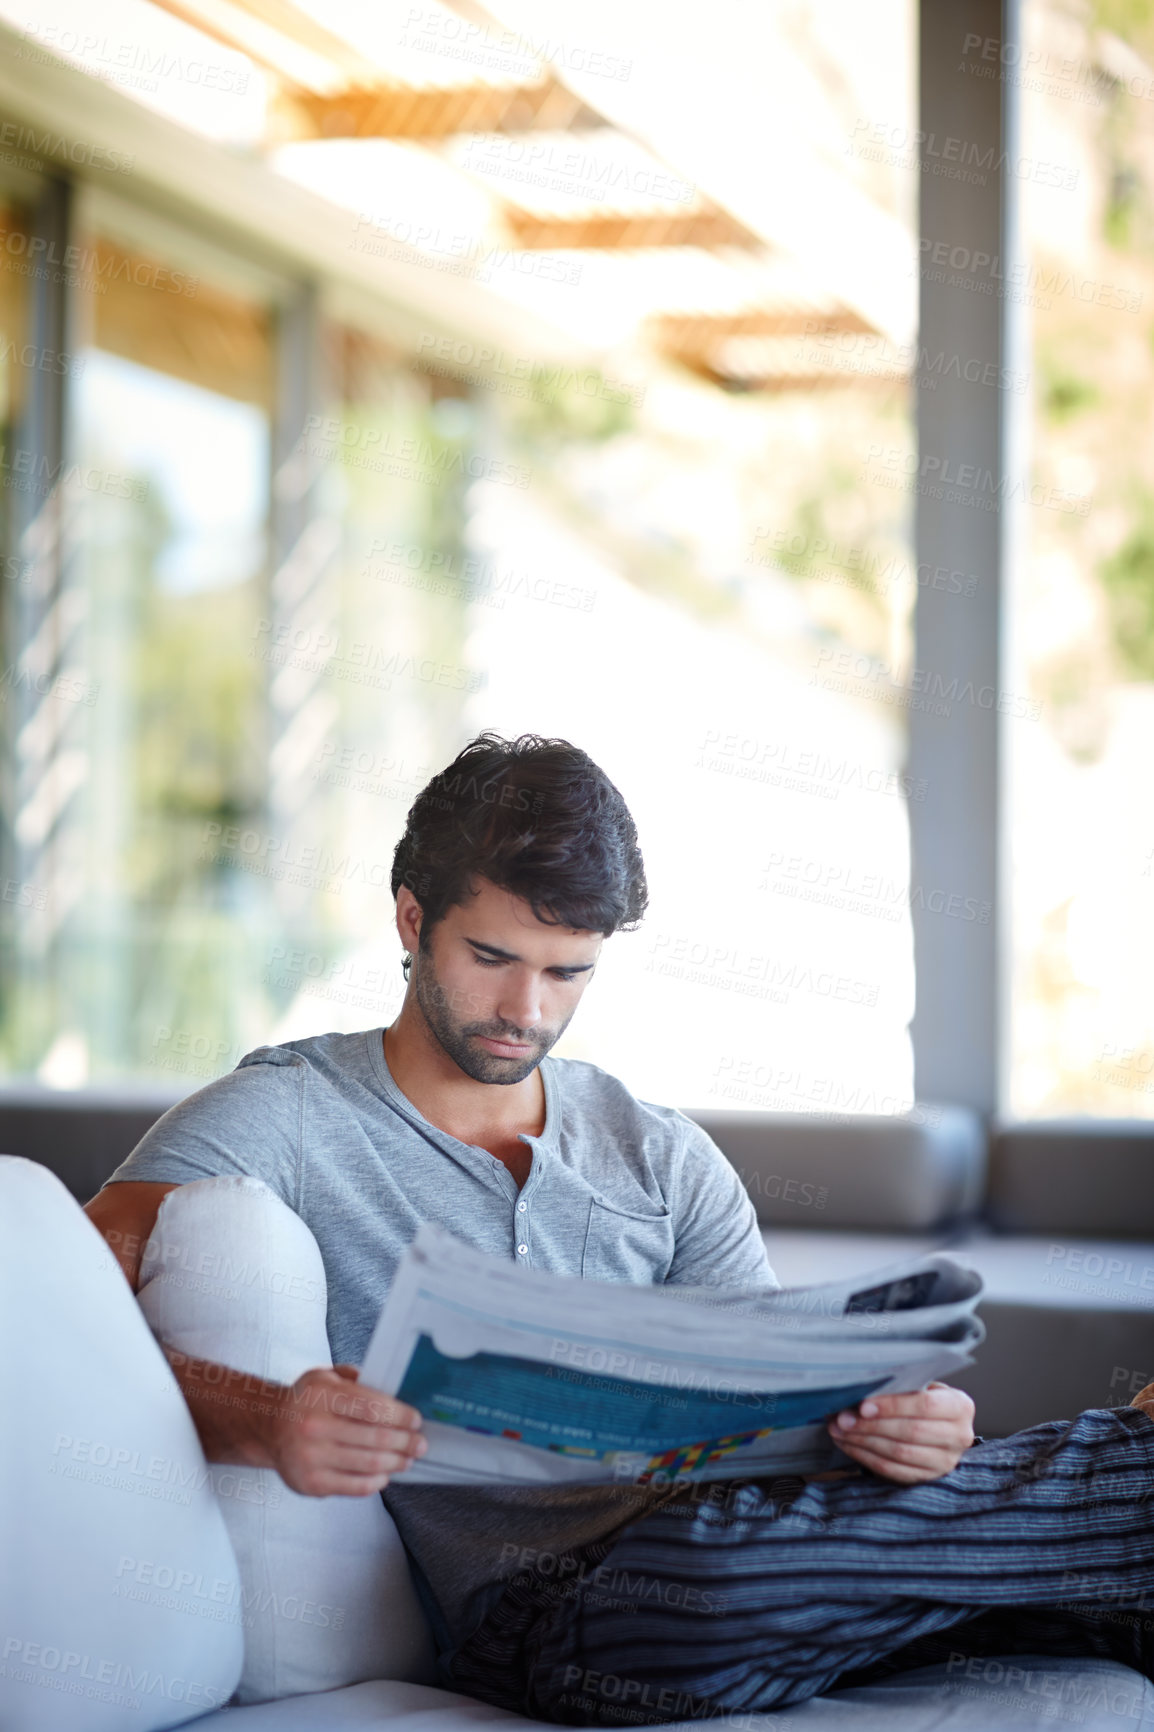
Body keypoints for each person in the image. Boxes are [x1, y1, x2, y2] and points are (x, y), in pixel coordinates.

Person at [87, 733, 1154, 1724]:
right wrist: (265, 1414)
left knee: (789, 1545)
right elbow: (64, 1314)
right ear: (411, 920)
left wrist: (904, 1435)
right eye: (492, 956)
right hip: (555, 1614)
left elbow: (784, 1410)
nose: (528, 1010)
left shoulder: (658, 1151)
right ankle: (1106, 1499)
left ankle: (1072, 1542)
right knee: (708, 1581)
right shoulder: (289, 1112)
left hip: (761, 1548)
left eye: (568, 971)